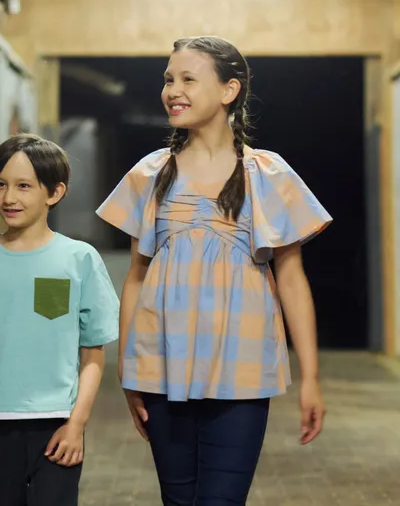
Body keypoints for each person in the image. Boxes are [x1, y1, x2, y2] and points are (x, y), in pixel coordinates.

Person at [97, 36, 331, 505]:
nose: (173, 91)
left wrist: (310, 377)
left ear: (229, 90)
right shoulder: (150, 174)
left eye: (188, 79)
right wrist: (128, 370)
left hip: (242, 368)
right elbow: (137, 277)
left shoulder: (267, 174)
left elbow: (291, 280)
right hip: (161, 367)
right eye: (168, 79)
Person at [0, 133, 120, 506]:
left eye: (24, 186)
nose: (9, 197)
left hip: (57, 425)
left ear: (54, 192)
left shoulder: (78, 259)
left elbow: (93, 352)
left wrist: (76, 424)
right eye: (1, 185)